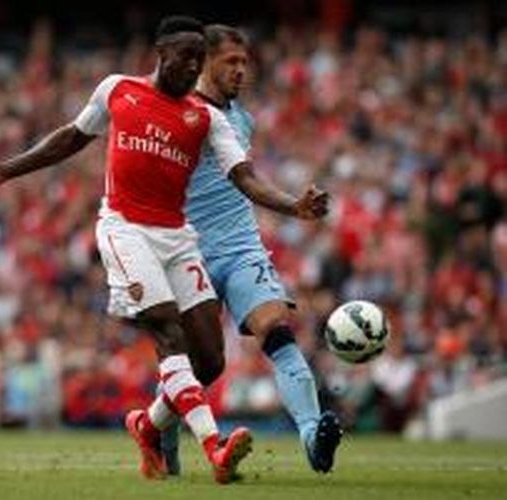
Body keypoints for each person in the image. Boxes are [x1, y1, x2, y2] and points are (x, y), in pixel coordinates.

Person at [0, 15, 266, 484]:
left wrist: (295, 206)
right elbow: (71, 138)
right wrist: (5, 170)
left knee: (211, 361)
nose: (192, 67)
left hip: (176, 235)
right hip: (125, 229)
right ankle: (214, 447)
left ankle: (148, 425)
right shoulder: (118, 90)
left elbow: (245, 177)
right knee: (167, 331)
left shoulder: (205, 117)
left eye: (199, 60)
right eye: (186, 57)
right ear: (161, 53)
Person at [158, 24, 341, 476]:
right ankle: (160, 434)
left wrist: (294, 208)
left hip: (241, 247)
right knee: (202, 367)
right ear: (204, 63)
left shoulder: (242, 118)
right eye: (231, 62)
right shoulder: (179, 112)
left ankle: (312, 434)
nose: (241, 71)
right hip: (189, 252)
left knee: (275, 327)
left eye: (245, 62)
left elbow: (244, 180)